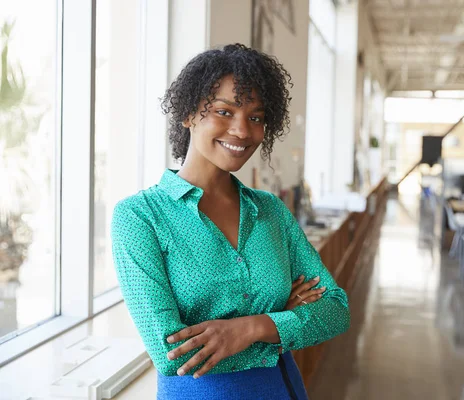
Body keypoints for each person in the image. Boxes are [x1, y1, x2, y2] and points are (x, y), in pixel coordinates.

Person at [110, 43, 350, 400]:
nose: (241, 130)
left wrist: (252, 328)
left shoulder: (270, 210)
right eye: (224, 111)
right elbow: (173, 355)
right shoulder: (139, 217)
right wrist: (282, 325)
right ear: (189, 114)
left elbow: (335, 309)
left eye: (256, 117)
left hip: (283, 389)